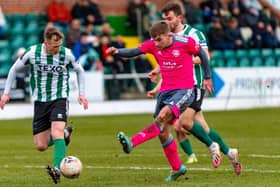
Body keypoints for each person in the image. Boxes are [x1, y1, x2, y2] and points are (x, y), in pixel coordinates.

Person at [106, 21, 221, 182]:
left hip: (185, 90)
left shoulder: (185, 42)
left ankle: (132, 142)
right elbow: (135, 51)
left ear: (168, 36)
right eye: (154, 40)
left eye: (159, 40)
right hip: (166, 91)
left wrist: (207, 77)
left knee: (162, 116)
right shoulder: (154, 44)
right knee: (163, 132)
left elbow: (202, 54)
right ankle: (177, 168)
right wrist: (118, 51)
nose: (156, 44)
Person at [148, 2, 242, 175]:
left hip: (194, 86)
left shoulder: (194, 34)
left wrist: (186, 60)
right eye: (164, 19)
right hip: (179, 89)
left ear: (179, 18)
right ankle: (230, 152)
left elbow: (205, 56)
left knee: (181, 124)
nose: (166, 22)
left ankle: (209, 149)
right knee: (201, 127)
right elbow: (170, 64)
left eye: (169, 18)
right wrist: (158, 72)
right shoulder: (167, 38)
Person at [0, 27, 88, 184]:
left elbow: (80, 71)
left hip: (59, 98)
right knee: (41, 146)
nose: (58, 49)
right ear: (45, 43)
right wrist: (6, 94)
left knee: (56, 131)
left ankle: (57, 169)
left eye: (60, 45)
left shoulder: (66, 54)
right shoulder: (32, 53)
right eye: (54, 46)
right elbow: (13, 70)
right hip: (40, 101)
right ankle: (65, 135)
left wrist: (82, 94)